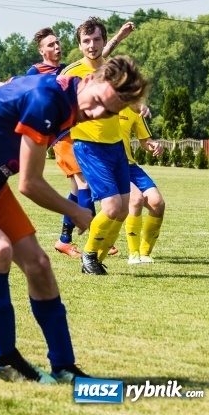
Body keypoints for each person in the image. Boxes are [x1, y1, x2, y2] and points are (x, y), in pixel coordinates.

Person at [0, 56, 150, 383]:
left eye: (108, 112)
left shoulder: (65, 93)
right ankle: (4, 357)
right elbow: (29, 184)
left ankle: (64, 367)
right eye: (98, 102)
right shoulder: (47, 100)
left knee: (39, 265)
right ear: (90, 80)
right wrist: (75, 211)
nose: (95, 113)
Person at [38, 23, 135, 258]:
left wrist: (118, 37)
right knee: (85, 186)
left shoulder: (92, 67)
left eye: (57, 43)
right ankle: (93, 233)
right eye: (50, 45)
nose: (56, 47)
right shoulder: (50, 72)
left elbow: (100, 57)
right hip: (71, 139)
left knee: (80, 190)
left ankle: (65, 239)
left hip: (104, 143)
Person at [61, 18, 149, 275]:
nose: (92, 45)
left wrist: (139, 105)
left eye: (96, 39)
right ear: (79, 45)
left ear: (103, 41)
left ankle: (96, 259)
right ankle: (88, 256)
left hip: (116, 146)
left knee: (122, 210)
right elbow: (56, 104)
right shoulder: (70, 73)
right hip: (89, 147)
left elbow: (127, 98)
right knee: (111, 207)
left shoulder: (112, 70)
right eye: (86, 41)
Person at [119, 110, 165, 264]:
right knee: (136, 199)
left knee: (158, 203)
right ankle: (133, 253)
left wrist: (154, 146)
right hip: (112, 166)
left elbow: (145, 140)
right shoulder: (103, 105)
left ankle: (145, 253)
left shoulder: (134, 109)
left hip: (131, 166)